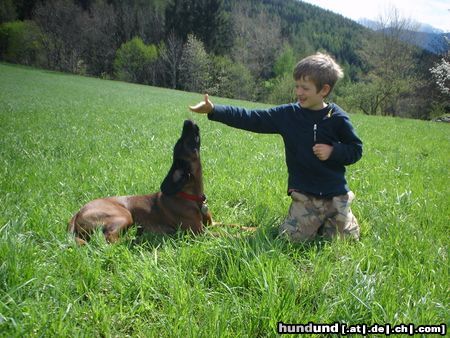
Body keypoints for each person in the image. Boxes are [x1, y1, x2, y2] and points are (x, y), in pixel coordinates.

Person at [189, 52, 362, 242]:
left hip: (336, 196)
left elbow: (356, 150)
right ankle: (306, 220)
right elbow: (252, 118)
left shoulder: (337, 118)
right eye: (297, 86)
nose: (298, 92)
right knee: (290, 239)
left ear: (324, 90)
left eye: (305, 88)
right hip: (306, 197)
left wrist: (333, 151)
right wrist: (214, 110)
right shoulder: (288, 115)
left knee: (345, 240)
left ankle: (340, 220)